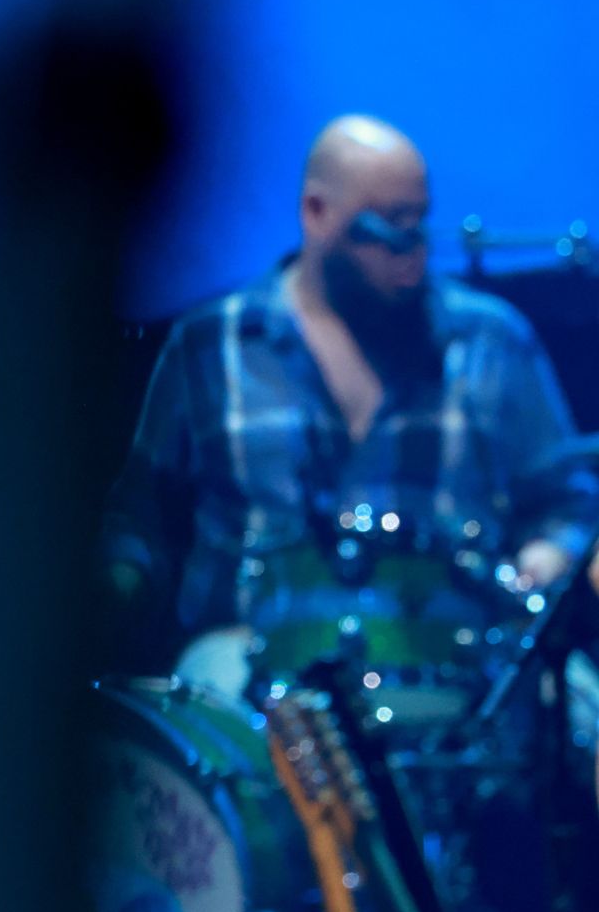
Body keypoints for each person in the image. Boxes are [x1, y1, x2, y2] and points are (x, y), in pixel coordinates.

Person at [106, 114, 594, 669]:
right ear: (316, 213)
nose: (412, 255)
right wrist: (113, 585)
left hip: (455, 661)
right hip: (250, 667)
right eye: (387, 229)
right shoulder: (212, 345)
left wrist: (546, 557)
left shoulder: (490, 341)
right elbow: (141, 518)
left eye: (420, 226)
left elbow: (568, 501)